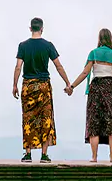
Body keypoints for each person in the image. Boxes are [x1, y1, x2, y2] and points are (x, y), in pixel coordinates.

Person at [13, 17, 72, 163]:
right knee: (46, 119)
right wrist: (68, 83)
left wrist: (14, 85)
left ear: (30, 28)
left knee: (28, 118)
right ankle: (44, 155)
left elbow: (18, 67)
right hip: (44, 86)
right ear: (42, 29)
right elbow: (58, 66)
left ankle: (28, 154)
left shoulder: (23, 45)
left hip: (28, 85)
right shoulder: (48, 45)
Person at [67, 28, 112, 163]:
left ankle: (94, 157)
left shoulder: (93, 53)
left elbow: (85, 73)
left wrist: (72, 86)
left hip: (96, 89)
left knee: (94, 123)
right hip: (110, 88)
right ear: (110, 39)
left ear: (99, 39)